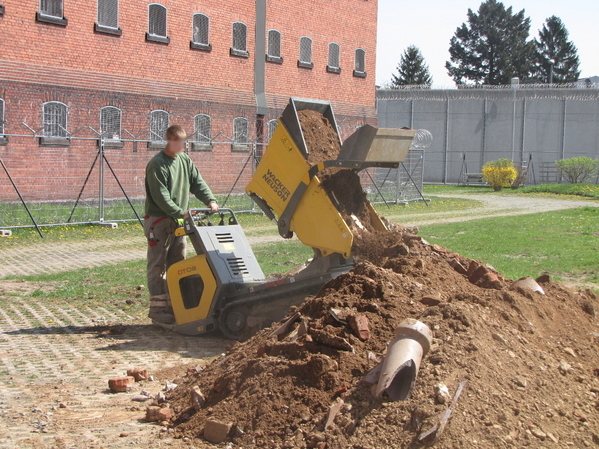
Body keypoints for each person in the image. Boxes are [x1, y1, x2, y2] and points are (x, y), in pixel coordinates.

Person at [144, 124, 219, 325]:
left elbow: (197, 182)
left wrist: (210, 200)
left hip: (178, 221)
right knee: (157, 264)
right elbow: (162, 197)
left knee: (178, 263)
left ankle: (175, 305)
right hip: (158, 222)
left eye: (184, 142)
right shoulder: (157, 165)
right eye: (180, 142)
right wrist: (181, 212)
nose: (184, 146)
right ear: (170, 141)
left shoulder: (185, 160)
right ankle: (158, 310)